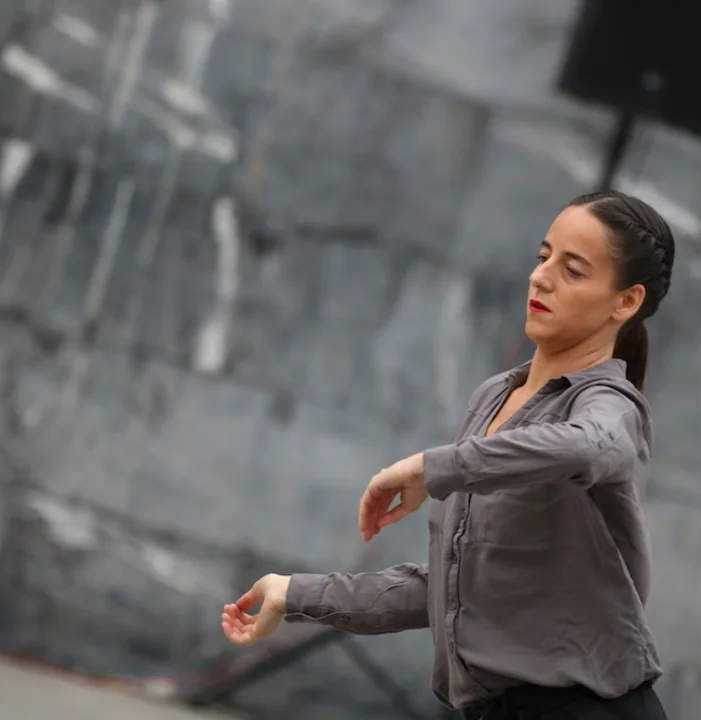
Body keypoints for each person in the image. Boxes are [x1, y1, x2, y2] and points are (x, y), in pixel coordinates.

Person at [221, 190, 675, 719]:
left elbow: (590, 447)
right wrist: (294, 594)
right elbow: (454, 586)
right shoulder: (493, 397)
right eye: (543, 256)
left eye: (573, 270)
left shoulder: (611, 407)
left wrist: (432, 468)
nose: (541, 277)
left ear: (626, 302)